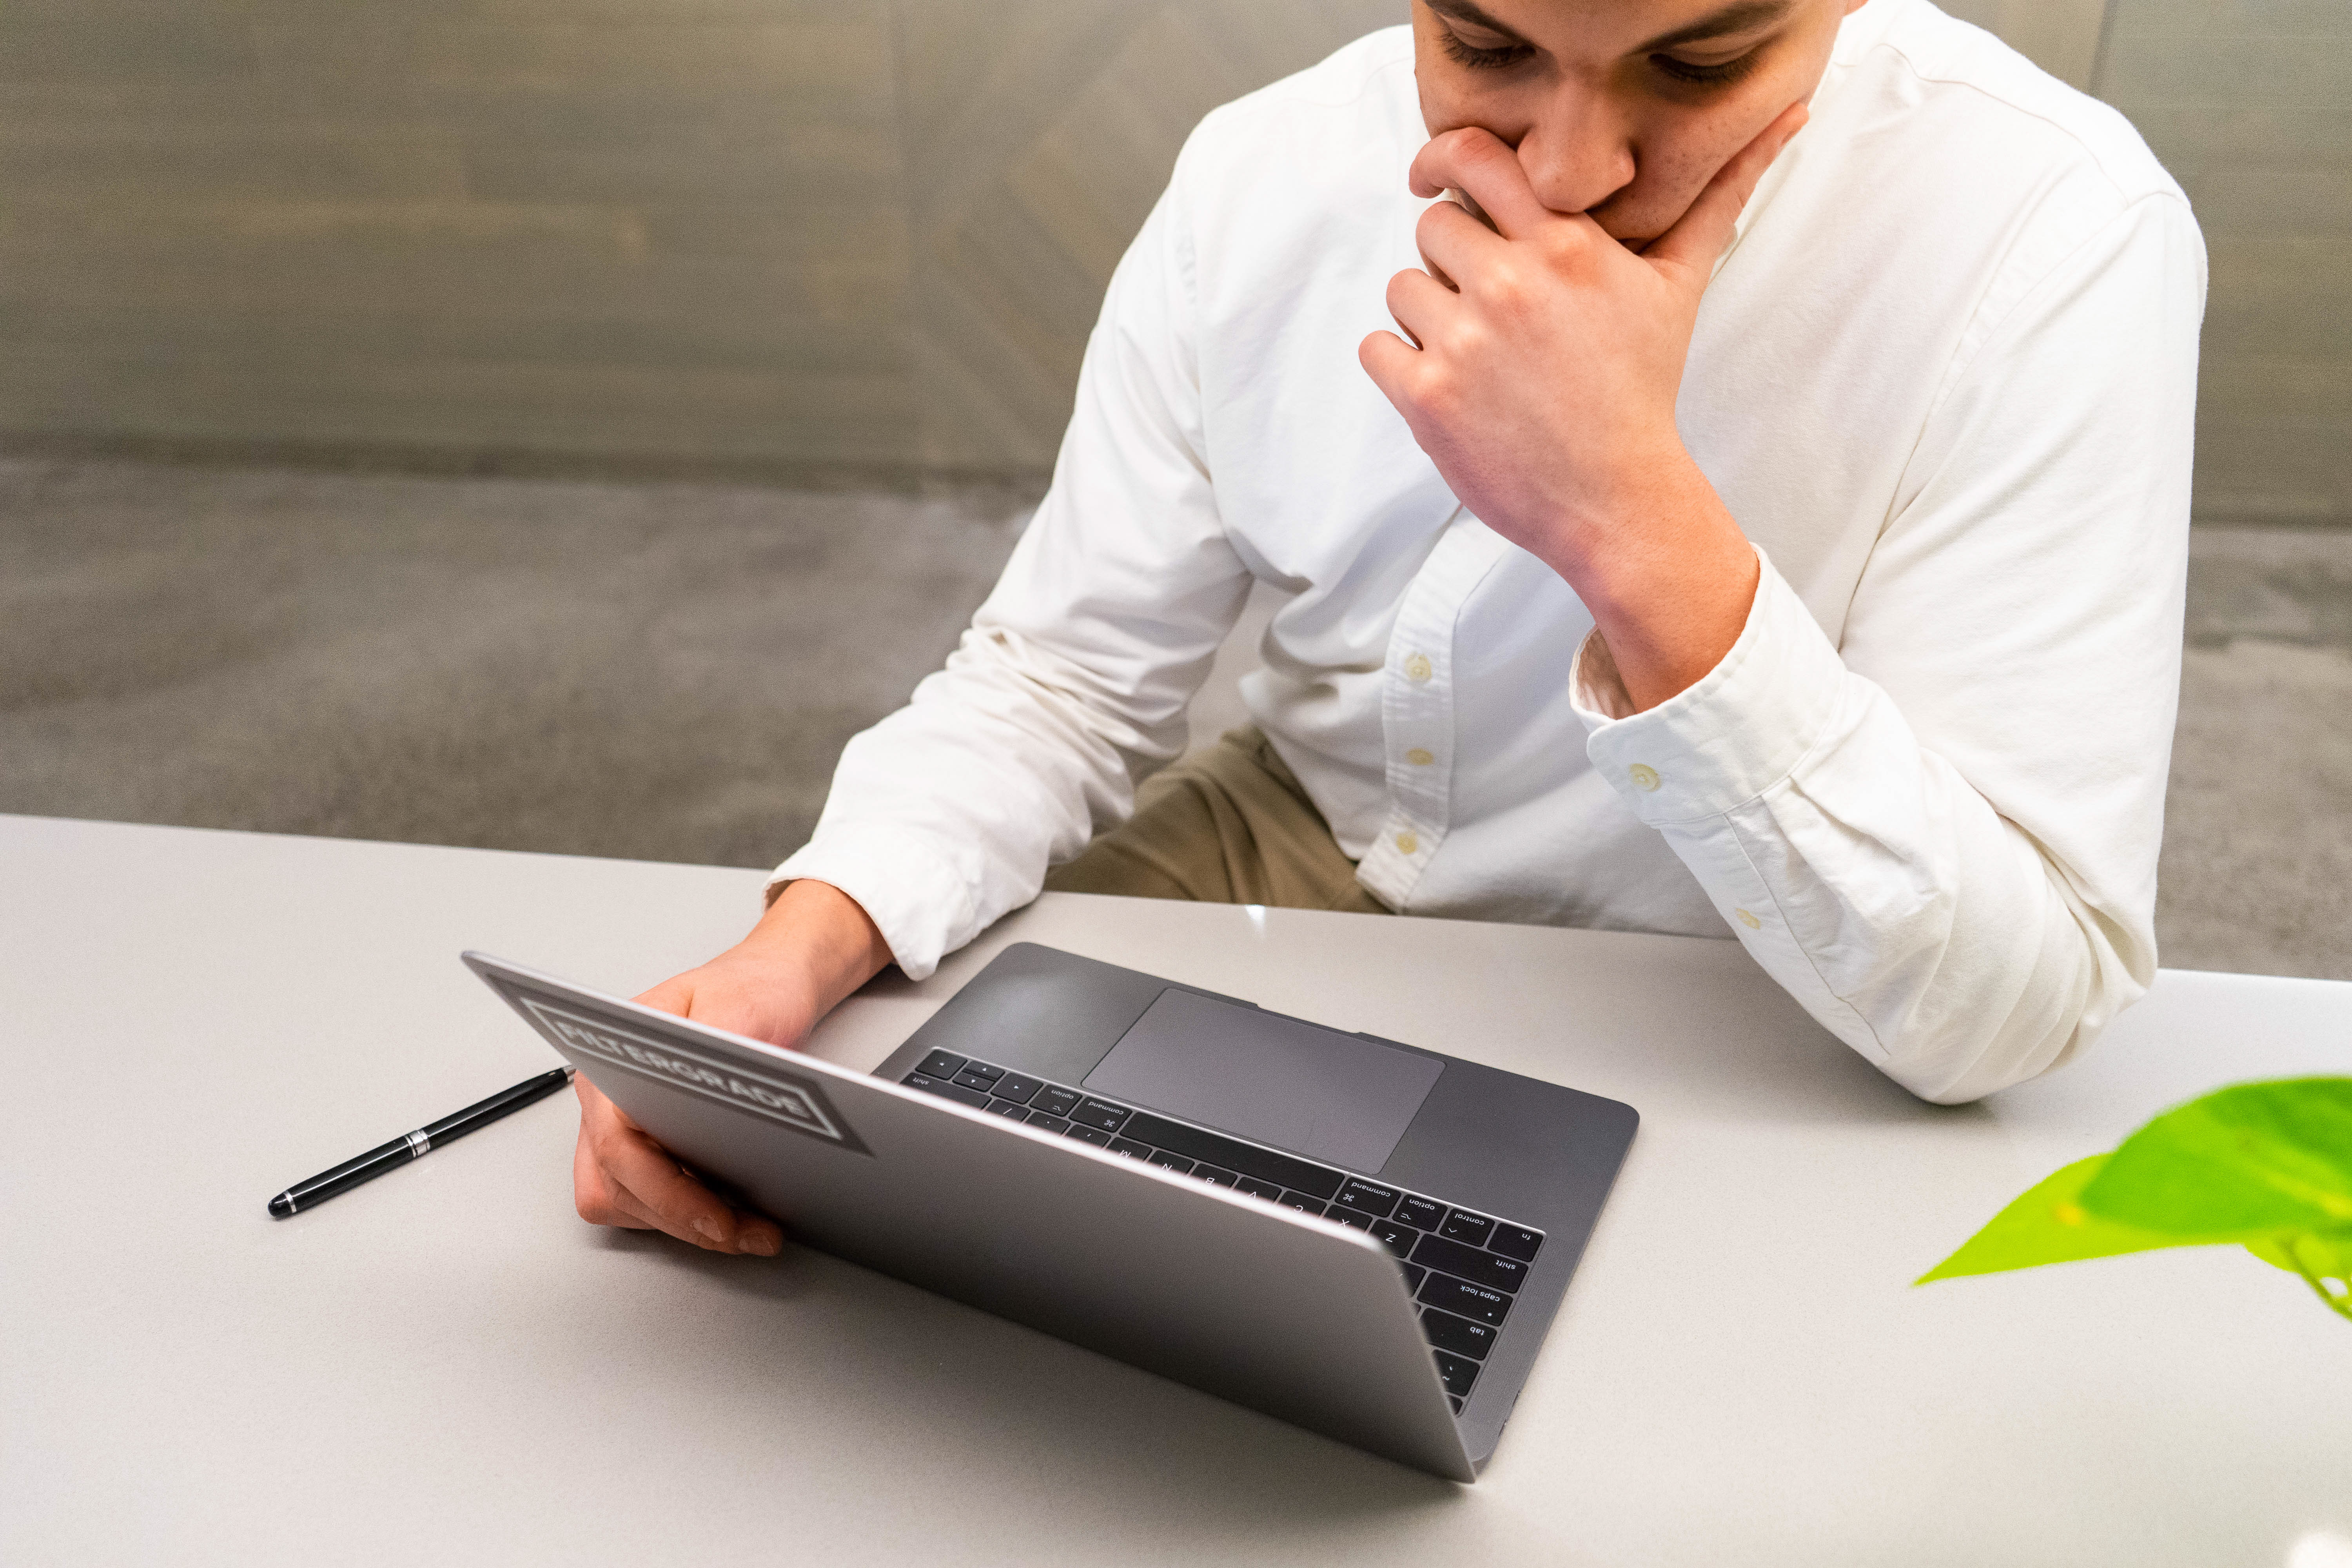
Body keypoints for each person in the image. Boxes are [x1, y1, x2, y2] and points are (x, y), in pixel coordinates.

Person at [574, 0, 2205, 1256]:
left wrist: (1633, 521)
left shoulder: (2057, 235)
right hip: (1297, 826)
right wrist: (807, 942)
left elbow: (2014, 998)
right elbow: (1065, 682)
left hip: (1730, 955)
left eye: (1698, 61)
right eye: (1487, 42)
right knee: (884, 1187)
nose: (1569, 171)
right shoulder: (1257, 174)